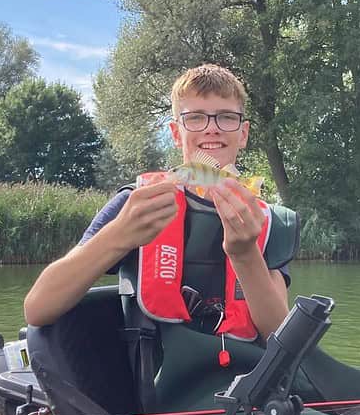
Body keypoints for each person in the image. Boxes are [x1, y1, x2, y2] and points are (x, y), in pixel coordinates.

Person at [23, 65, 298, 346]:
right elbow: (37, 308)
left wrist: (245, 254)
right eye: (195, 118)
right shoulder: (139, 202)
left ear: (243, 133)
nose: (212, 128)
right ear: (176, 133)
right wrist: (120, 234)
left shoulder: (267, 219)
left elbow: (284, 340)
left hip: (246, 383)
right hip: (156, 383)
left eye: (226, 118)